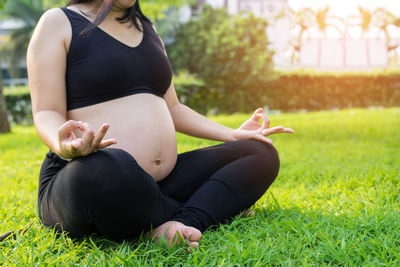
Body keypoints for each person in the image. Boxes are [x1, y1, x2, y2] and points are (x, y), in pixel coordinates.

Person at [27, 0, 294, 249]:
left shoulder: (148, 29)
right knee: (106, 168)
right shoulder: (58, 22)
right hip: (87, 176)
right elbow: (46, 112)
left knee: (260, 152)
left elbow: (173, 107)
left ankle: (181, 223)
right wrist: (63, 143)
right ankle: (211, 206)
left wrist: (233, 135)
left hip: (156, 183)